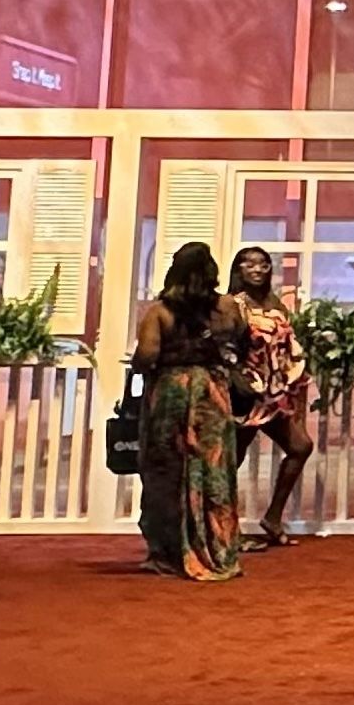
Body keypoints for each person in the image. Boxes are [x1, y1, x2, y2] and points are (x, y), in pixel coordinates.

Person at [129, 241, 245, 582]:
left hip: (173, 393)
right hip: (213, 393)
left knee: (168, 469)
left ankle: (168, 551)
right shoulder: (227, 308)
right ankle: (217, 546)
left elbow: (147, 355)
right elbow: (239, 340)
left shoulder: (159, 312)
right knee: (213, 470)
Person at [228, 245, 316, 548]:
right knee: (231, 460)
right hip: (246, 392)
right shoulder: (232, 304)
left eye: (263, 264)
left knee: (301, 445)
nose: (256, 270)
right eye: (248, 264)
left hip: (274, 393)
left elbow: (286, 345)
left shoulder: (275, 302)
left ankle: (273, 516)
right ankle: (226, 527)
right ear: (238, 269)